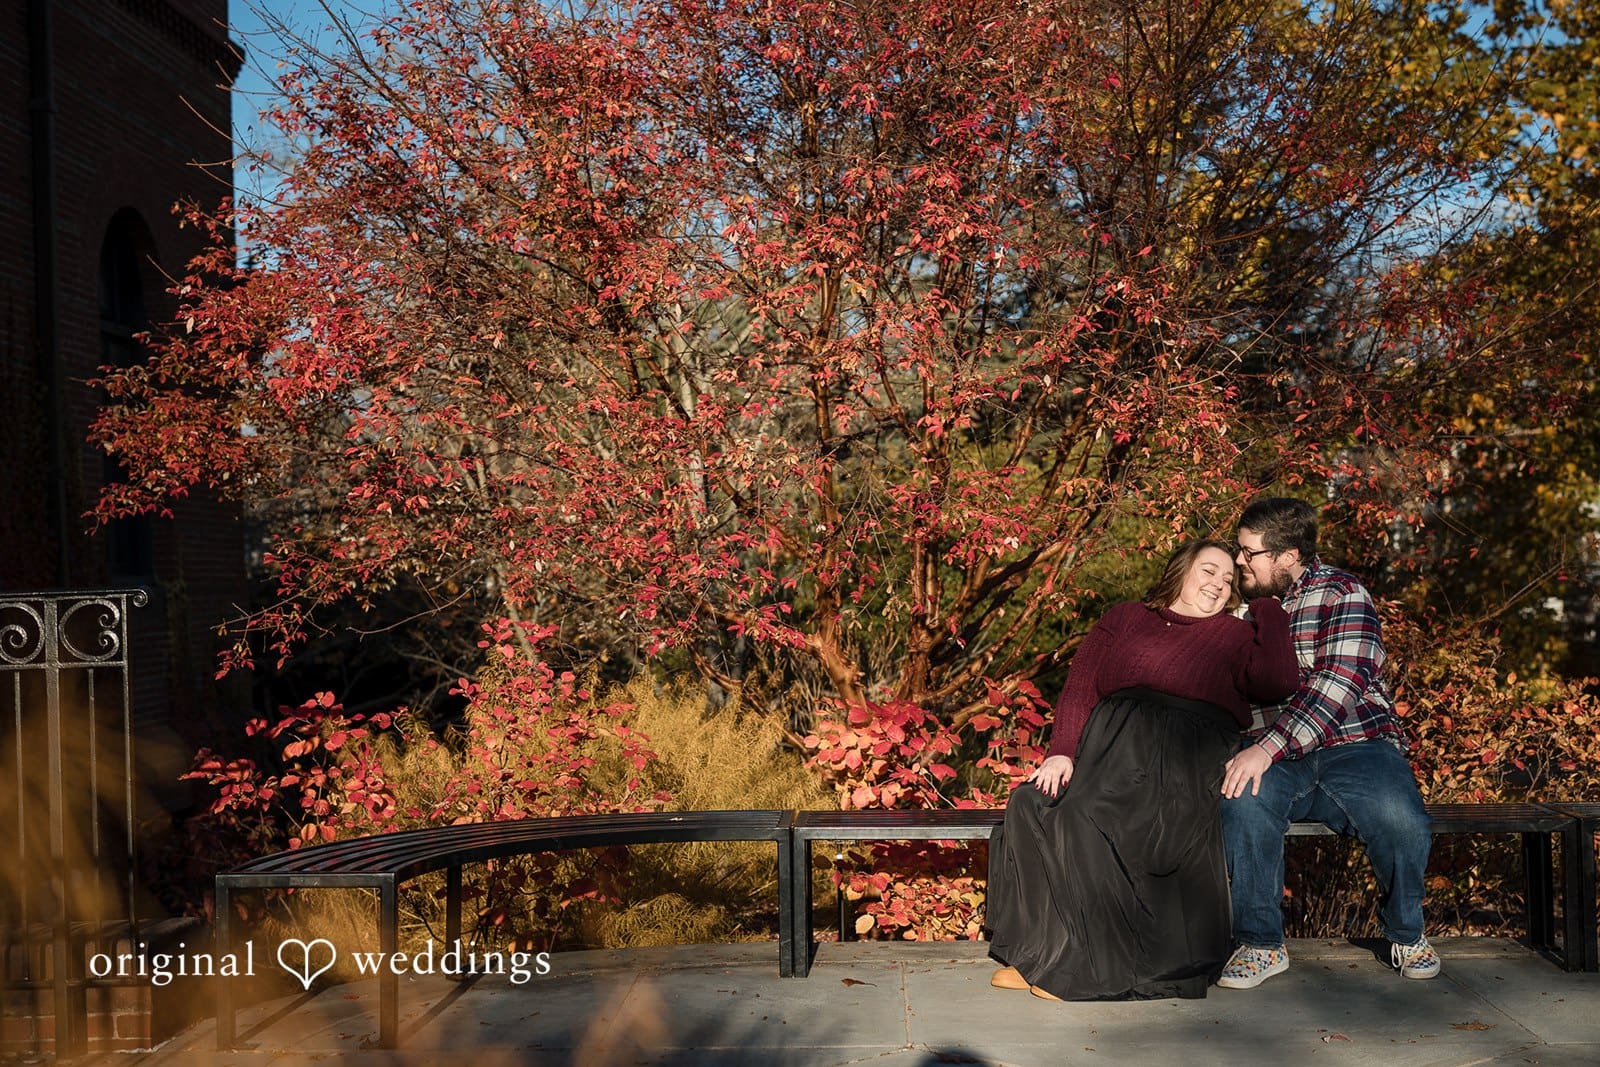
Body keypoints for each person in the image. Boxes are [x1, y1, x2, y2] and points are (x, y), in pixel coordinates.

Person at [985, 539, 1299, 1001]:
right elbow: (1081, 686)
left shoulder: (1234, 635)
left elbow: (1279, 681)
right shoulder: (1127, 617)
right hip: (1108, 751)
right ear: (1182, 569)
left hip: (1180, 760)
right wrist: (1062, 751)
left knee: (1086, 818)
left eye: (1228, 580)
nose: (1218, 584)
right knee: (1031, 803)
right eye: (1208, 570)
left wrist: (1268, 607)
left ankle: (1085, 965)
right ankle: (1039, 951)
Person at [1217, 497, 1439, 989]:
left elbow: (1336, 686)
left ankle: (1406, 932)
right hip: (1275, 756)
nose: (1238, 561)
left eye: (1248, 553)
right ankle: (1259, 944)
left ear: (1287, 556)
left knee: (1401, 819)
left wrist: (1265, 748)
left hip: (1356, 744)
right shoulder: (1240, 609)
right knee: (1243, 801)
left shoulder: (1342, 592)